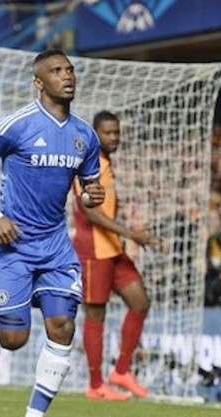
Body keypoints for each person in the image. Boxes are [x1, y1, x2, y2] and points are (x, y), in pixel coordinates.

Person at [0, 49, 105, 417]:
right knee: (13, 340)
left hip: (55, 245)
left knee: (62, 325)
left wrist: (93, 195)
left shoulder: (85, 136)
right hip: (13, 243)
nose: (66, 76)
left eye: (69, 69)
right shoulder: (17, 124)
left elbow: (88, 190)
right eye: (56, 71)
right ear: (39, 82)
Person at [71, 111, 162, 401]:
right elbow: (90, 212)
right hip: (92, 250)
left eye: (116, 132)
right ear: (95, 134)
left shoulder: (106, 163)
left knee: (140, 302)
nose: (114, 137)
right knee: (96, 313)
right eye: (108, 132)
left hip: (113, 248)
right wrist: (131, 233)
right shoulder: (86, 164)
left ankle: (121, 371)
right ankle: (95, 384)